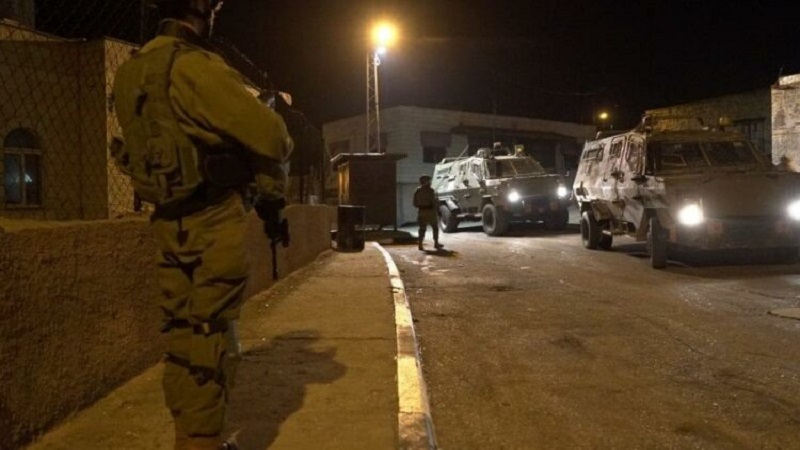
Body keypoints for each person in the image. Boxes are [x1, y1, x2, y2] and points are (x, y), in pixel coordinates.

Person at [110, 1, 293, 449]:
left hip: (168, 221)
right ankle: (202, 442)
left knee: (182, 336)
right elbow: (274, 139)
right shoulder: (194, 66)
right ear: (200, 8)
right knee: (211, 339)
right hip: (211, 219)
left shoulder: (132, 70)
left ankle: (188, 438)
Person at [413, 174, 443, 251]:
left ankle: (420, 244)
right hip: (430, 212)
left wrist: (421, 206)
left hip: (421, 211)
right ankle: (436, 243)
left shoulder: (417, 190)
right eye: (428, 180)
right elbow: (434, 202)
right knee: (435, 228)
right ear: (425, 181)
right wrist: (438, 210)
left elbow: (414, 203)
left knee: (422, 228)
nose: (429, 182)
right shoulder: (430, 190)